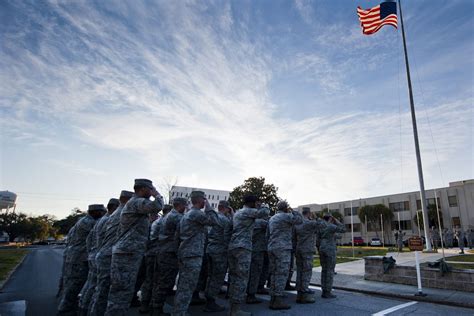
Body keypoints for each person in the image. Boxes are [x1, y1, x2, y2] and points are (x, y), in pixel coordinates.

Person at [105, 179, 164, 316]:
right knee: (121, 292)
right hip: (128, 252)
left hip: (128, 251)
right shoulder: (137, 202)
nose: (152, 191)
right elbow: (157, 206)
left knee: (122, 291)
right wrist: (158, 194)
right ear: (143, 189)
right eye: (150, 189)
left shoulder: (135, 204)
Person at [173, 191, 219, 316]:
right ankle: (179, 313)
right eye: (204, 199)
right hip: (192, 255)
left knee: (184, 285)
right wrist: (209, 207)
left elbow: (177, 236)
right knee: (187, 287)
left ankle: (179, 311)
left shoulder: (187, 215)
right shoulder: (196, 214)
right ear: (201, 200)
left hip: (186, 253)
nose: (206, 202)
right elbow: (215, 221)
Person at [89, 191, 133, 316]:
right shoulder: (118, 216)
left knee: (98, 290)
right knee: (103, 291)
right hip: (107, 256)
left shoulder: (106, 218)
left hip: (101, 254)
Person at [58, 204, 106, 315]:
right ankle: (65, 309)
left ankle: (69, 306)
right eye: (101, 212)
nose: (103, 214)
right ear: (95, 212)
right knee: (75, 283)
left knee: (74, 282)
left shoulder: (83, 220)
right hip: (79, 256)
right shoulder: (88, 223)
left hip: (77, 255)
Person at [227, 195, 269, 316]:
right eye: (256, 203)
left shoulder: (239, 212)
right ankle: (235, 310)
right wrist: (262, 205)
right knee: (241, 278)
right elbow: (264, 212)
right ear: (253, 203)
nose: (258, 205)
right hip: (242, 248)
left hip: (234, 246)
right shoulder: (248, 211)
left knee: (235, 278)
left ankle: (232, 308)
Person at [78, 198, 119, 315]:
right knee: (100, 288)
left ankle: (83, 307)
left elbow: (89, 239)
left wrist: (92, 251)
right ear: (114, 208)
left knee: (91, 285)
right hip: (102, 256)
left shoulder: (101, 220)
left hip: (95, 254)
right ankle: (92, 311)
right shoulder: (108, 220)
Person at [150, 197, 187, 316]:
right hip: (168, 254)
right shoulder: (176, 217)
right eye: (185, 205)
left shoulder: (168, 215)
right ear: (180, 205)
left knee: (160, 281)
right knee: (164, 282)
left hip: (164, 251)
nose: (186, 208)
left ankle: (155, 307)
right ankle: (156, 310)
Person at [267, 201, 303, 310]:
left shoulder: (272, 218)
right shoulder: (286, 216)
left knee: (274, 273)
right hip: (282, 248)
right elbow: (299, 220)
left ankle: (273, 298)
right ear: (286, 208)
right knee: (282, 274)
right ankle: (277, 300)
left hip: (272, 247)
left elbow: (267, 234)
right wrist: (293, 211)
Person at [139, 204, 173, 313]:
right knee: (155, 280)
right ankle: (152, 305)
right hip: (156, 253)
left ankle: (146, 303)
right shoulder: (164, 222)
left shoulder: (156, 222)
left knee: (150, 280)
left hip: (150, 253)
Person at [204, 200, 233, 312]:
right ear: (226, 208)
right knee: (217, 277)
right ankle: (211, 303)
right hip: (220, 252)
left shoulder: (213, 218)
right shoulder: (225, 220)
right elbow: (230, 233)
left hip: (210, 249)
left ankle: (208, 298)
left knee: (210, 276)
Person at [294, 209, 326, 304]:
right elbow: (323, 225)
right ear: (308, 213)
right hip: (307, 250)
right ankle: (304, 294)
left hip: (298, 249)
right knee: (307, 271)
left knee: (300, 271)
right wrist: (316, 217)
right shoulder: (309, 223)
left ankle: (299, 293)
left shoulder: (297, 224)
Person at [246, 203, 270, 304]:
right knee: (255, 272)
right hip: (259, 250)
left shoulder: (253, 222)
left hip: (256, 249)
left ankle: (258, 287)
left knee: (258, 270)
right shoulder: (262, 223)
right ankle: (251, 294)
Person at [319, 214, 345, 299]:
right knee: (330, 271)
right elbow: (343, 229)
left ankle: (323, 290)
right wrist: (337, 221)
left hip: (322, 248)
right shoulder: (331, 226)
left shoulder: (321, 226)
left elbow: (338, 236)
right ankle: (328, 292)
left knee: (324, 270)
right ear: (330, 218)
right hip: (329, 249)